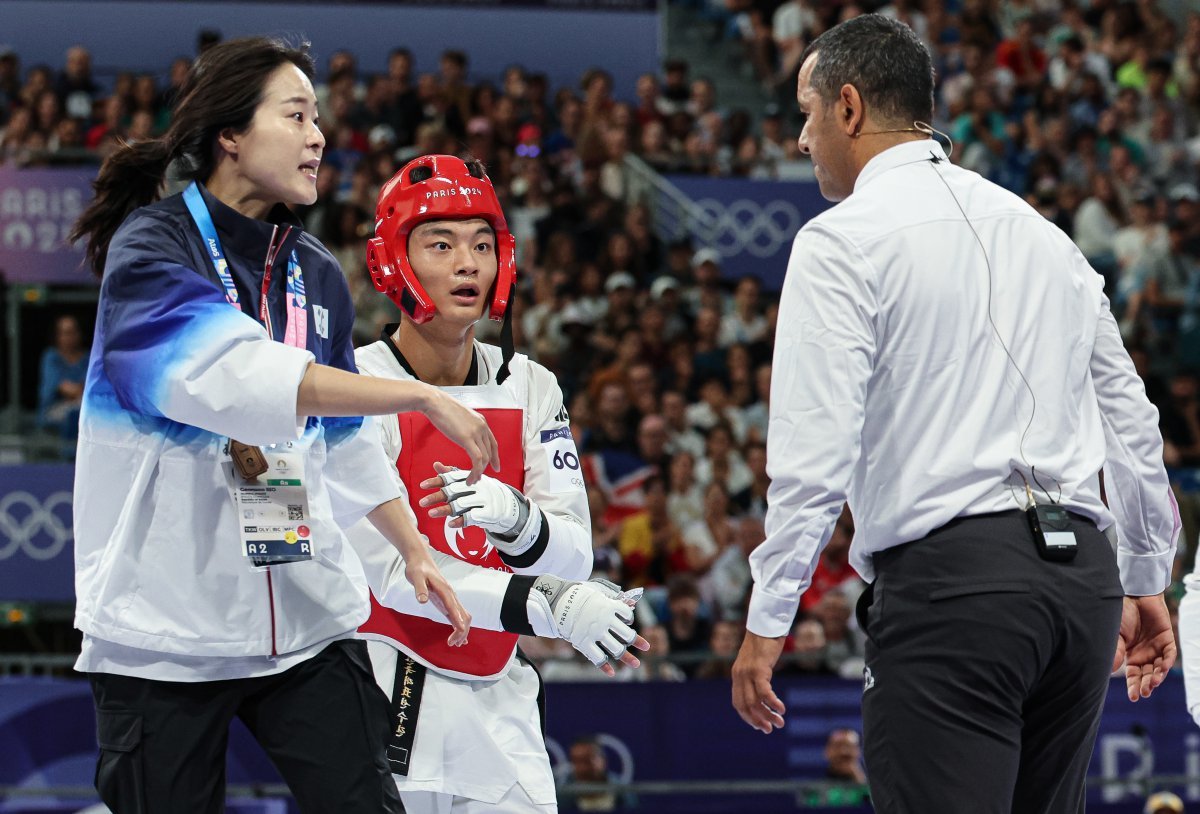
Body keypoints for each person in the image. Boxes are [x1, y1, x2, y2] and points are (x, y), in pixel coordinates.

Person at [730, 15, 1180, 814]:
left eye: (804, 115)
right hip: (1082, 593)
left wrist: (770, 612)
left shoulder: (840, 242)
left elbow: (813, 452)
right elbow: (1133, 423)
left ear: (849, 107)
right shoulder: (1048, 239)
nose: (800, 139)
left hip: (955, 593)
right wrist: (1146, 578)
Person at [67, 37, 501, 814]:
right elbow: (231, 378)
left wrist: (413, 548)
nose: (318, 136)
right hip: (167, 637)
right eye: (296, 115)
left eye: (317, 118)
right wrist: (414, 396)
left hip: (302, 621)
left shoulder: (314, 270)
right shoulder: (153, 252)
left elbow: (341, 444)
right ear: (231, 135)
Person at [347, 154, 649, 814]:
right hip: (390, 688)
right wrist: (550, 603)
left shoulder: (532, 384)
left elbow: (574, 553)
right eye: (441, 243)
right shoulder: (358, 384)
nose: (468, 264)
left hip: (502, 686)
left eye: (483, 244)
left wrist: (518, 520)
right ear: (392, 260)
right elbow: (399, 577)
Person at [36, 314, 88, 456]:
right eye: (64, 333)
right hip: (53, 410)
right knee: (73, 413)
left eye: (72, 332)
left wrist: (77, 391)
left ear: (79, 334)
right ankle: (68, 458)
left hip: (84, 408)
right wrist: (74, 390)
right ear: (57, 336)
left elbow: (90, 388)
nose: (69, 337)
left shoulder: (88, 358)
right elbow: (61, 387)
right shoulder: (51, 357)